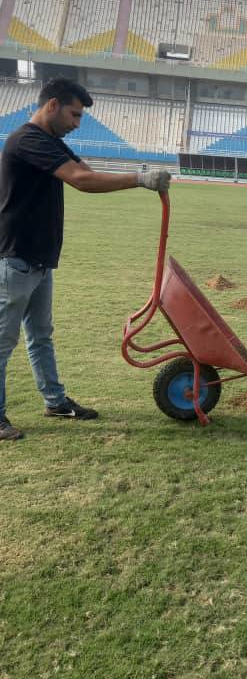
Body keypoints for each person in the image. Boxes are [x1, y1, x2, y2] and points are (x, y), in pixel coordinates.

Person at [0, 77, 171, 442]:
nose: (77, 123)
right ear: (52, 105)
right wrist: (140, 180)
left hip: (38, 261)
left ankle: (55, 402)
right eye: (74, 114)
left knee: (41, 336)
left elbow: (88, 172)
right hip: (15, 259)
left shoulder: (51, 142)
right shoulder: (27, 140)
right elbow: (81, 180)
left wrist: (138, 177)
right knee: (3, 341)